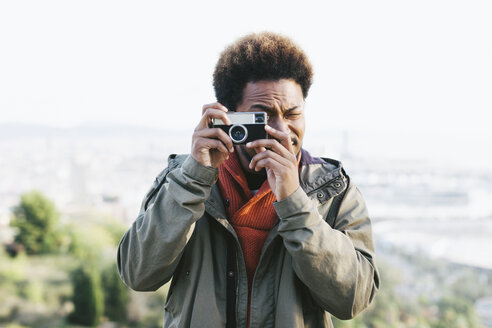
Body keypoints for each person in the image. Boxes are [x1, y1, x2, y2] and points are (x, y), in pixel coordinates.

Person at [117, 32, 379, 328]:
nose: (281, 129)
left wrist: (295, 202)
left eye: (293, 114)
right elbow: (138, 273)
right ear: (228, 118)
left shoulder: (331, 189)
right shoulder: (182, 179)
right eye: (262, 116)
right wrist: (193, 179)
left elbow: (354, 298)